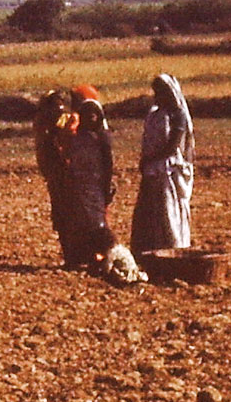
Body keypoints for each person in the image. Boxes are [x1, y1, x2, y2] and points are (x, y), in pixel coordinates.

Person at [131, 73, 195, 253]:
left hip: (168, 170)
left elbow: (172, 145)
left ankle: (173, 247)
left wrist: (150, 159)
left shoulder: (178, 115)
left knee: (168, 209)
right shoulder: (154, 115)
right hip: (153, 168)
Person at [60, 96, 117, 271]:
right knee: (79, 221)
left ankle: (101, 255)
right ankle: (81, 256)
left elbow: (108, 164)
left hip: (96, 185)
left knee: (96, 221)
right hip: (79, 184)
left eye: (94, 114)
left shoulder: (103, 138)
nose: (91, 118)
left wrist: (107, 186)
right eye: (87, 115)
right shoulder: (76, 138)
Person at [34, 88, 77, 265]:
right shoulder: (58, 123)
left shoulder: (42, 124)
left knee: (63, 214)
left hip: (55, 174)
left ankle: (71, 254)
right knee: (67, 214)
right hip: (61, 173)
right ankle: (73, 255)